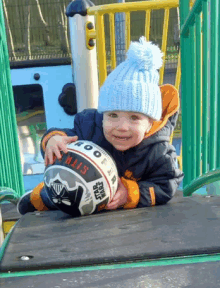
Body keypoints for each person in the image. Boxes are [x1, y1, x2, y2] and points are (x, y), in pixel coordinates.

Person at [18, 37, 183, 215]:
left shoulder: (158, 151)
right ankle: (38, 198)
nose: (122, 126)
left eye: (134, 118)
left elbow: (166, 185)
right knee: (60, 192)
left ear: (150, 123)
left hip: (119, 208)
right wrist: (53, 140)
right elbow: (66, 137)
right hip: (79, 187)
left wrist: (130, 193)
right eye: (112, 115)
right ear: (102, 114)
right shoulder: (90, 127)